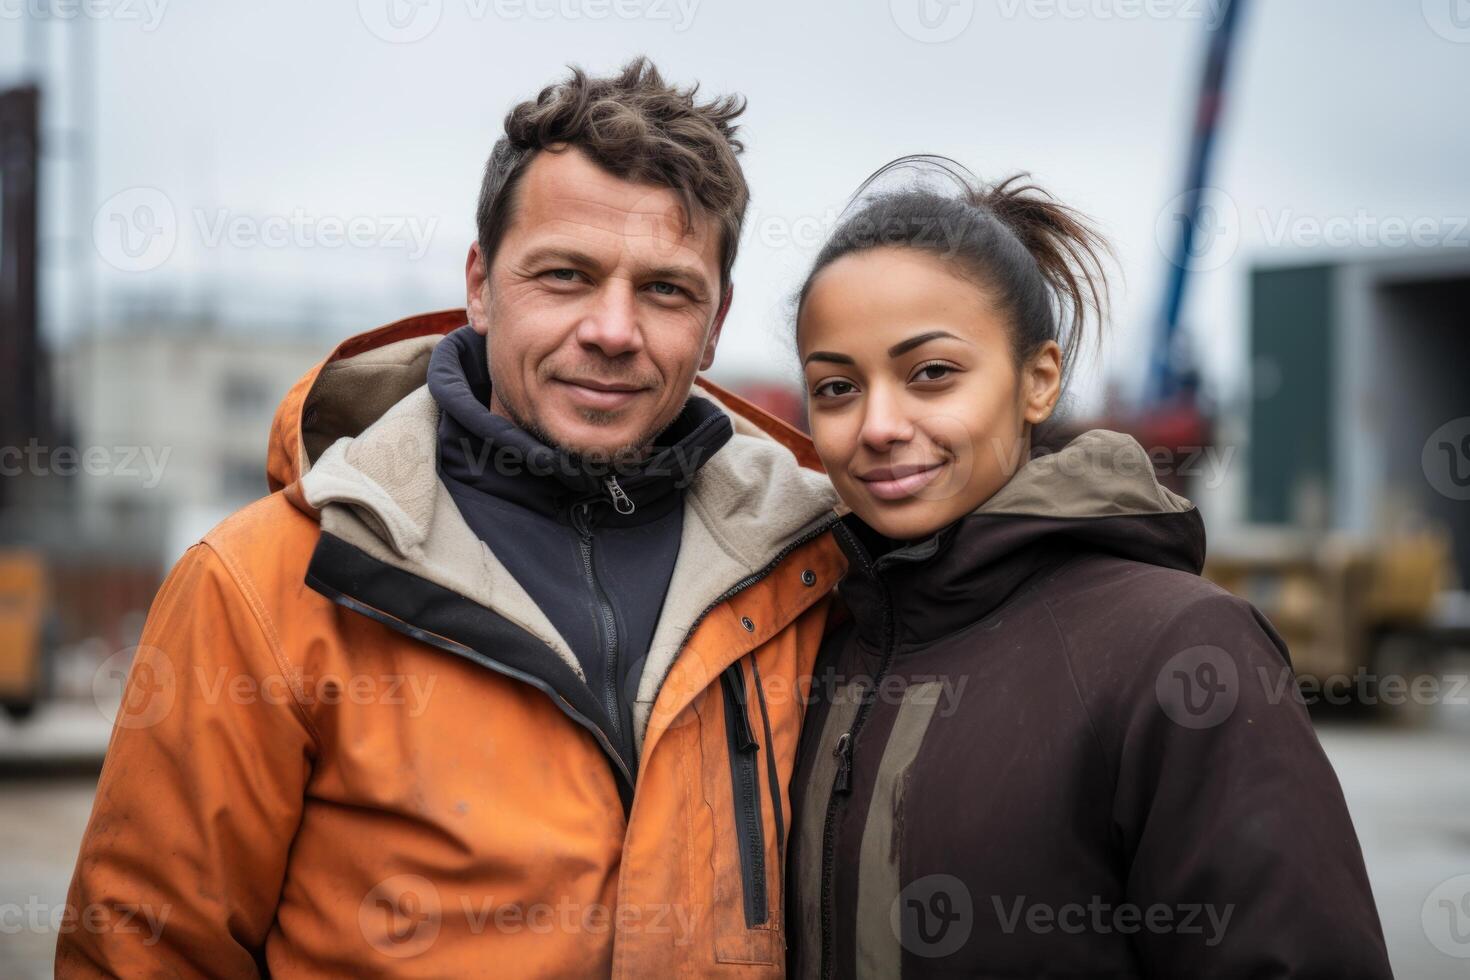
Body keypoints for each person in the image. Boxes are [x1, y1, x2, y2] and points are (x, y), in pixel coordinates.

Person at [60, 59, 848, 977]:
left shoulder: (812, 573)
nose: (613, 329)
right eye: (565, 275)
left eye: (667, 290)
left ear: (716, 327)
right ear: (479, 285)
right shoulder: (264, 585)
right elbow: (143, 955)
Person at [786, 156, 1394, 978]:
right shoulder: (811, 641)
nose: (879, 424)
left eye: (931, 373)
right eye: (835, 387)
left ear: (1039, 380)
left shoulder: (1181, 646)